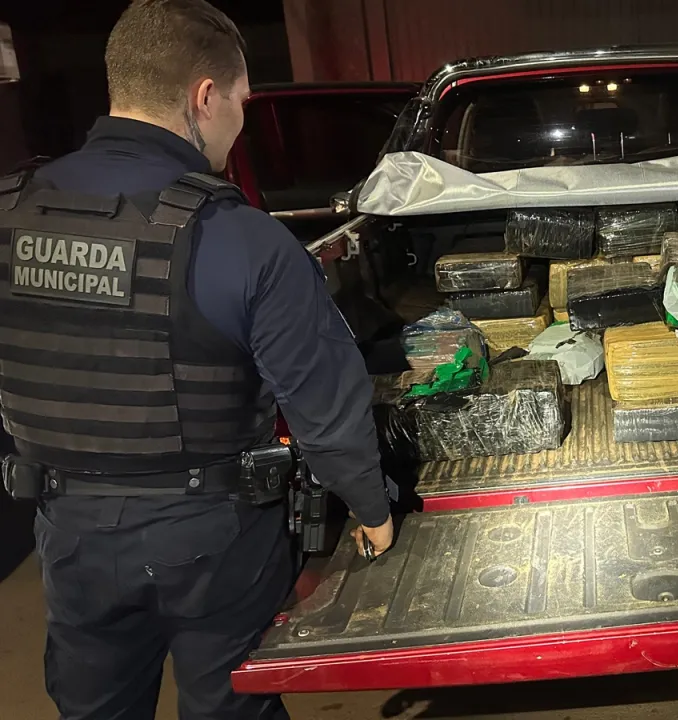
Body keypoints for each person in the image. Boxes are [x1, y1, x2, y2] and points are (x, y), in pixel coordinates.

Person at [0, 1, 396, 718]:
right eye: (241, 102)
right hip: (214, 537)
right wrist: (371, 507)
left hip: (69, 530)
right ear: (204, 97)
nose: (239, 123)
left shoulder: (10, 213)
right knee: (231, 706)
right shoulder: (239, 237)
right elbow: (322, 402)